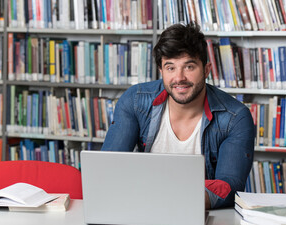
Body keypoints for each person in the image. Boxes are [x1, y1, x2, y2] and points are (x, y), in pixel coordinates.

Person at [101, 22, 255, 209]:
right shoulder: (134, 101)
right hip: (143, 209)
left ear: (206, 70)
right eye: (170, 67)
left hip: (199, 215)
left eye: (189, 67)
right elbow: (109, 168)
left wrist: (170, 202)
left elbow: (229, 186)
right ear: (161, 71)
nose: (179, 77)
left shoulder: (235, 117)